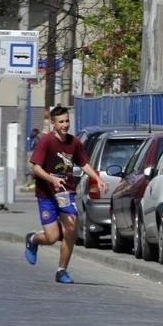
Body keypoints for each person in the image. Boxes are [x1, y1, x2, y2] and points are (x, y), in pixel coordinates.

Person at [24, 105, 107, 283]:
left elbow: (84, 163)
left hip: (65, 192)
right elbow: (36, 167)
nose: (65, 124)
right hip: (46, 194)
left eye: (67, 121)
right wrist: (51, 179)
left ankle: (62, 270)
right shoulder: (46, 141)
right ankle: (33, 239)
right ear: (53, 123)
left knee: (70, 229)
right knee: (52, 237)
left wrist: (97, 178)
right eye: (61, 121)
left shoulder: (74, 142)